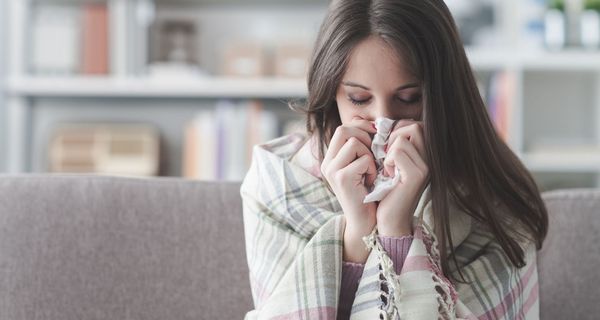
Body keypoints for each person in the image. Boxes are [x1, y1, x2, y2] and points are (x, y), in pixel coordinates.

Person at [240, 0, 548, 319]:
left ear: (444, 95)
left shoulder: (492, 195)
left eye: (408, 98)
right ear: (331, 92)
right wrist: (357, 230)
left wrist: (395, 229)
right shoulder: (278, 183)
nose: (383, 121)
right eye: (359, 98)